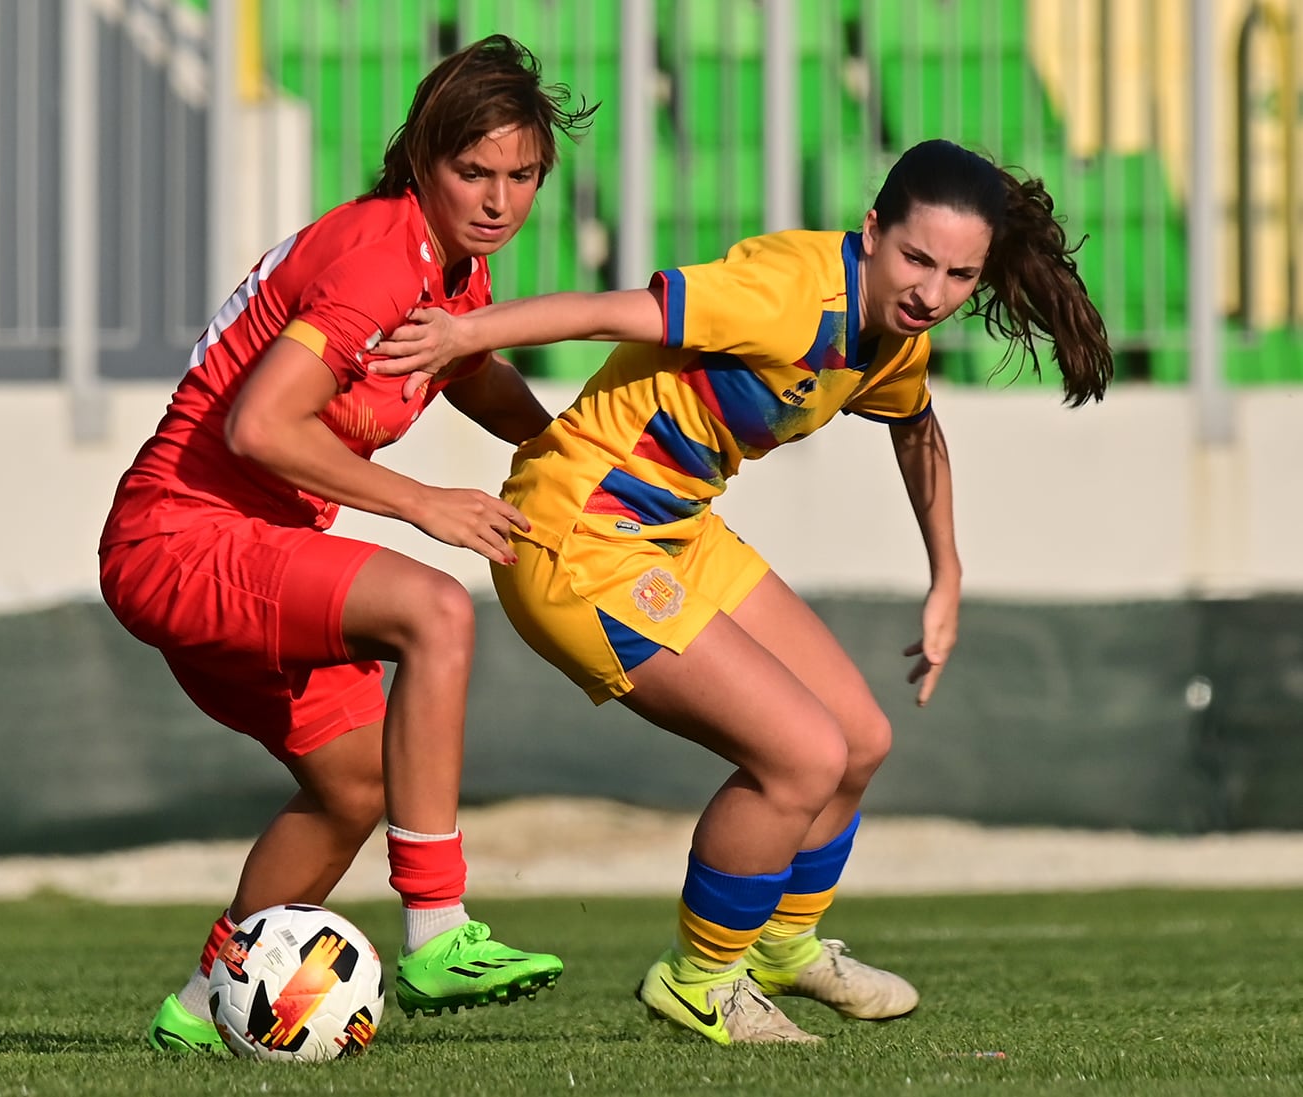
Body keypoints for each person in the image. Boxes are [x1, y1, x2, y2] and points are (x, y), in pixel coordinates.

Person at [372, 138, 1113, 1044]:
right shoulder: (791, 287)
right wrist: (463, 334)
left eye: (960, 274)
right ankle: (700, 980)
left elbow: (916, 429)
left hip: (674, 528)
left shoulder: (893, 332)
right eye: (917, 259)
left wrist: (946, 573)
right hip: (578, 537)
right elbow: (614, 311)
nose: (932, 291)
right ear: (872, 231)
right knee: (800, 755)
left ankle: (782, 946)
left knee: (859, 741)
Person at [98, 35, 597, 1053]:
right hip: (181, 536)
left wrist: (561, 448)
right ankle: (438, 927)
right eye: (474, 172)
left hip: (244, 548)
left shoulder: (452, 270)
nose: (499, 200)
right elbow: (259, 428)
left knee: (357, 783)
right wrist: (421, 502)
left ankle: (202, 1010)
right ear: (422, 161)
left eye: (523, 176)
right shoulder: (379, 256)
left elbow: (466, 372)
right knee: (437, 606)